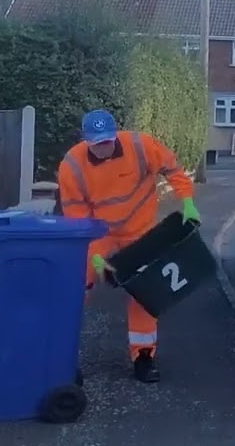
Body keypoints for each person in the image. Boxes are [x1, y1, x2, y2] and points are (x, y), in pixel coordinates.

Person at [57, 109, 200, 383]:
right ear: (86, 141)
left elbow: (174, 171)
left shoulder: (141, 145)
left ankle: (144, 357)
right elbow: (77, 217)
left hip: (140, 231)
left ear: (115, 135)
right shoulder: (72, 166)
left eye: (107, 141)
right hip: (99, 233)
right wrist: (96, 259)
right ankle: (63, 360)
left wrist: (188, 203)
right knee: (76, 287)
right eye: (97, 143)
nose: (104, 148)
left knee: (145, 291)